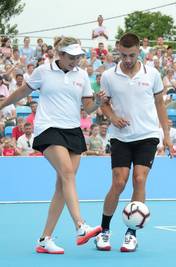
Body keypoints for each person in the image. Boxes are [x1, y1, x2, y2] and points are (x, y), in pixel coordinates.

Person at [0, 36, 104, 254]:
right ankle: (81, 226)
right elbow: (22, 92)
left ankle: (44, 239)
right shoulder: (43, 71)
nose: (75, 61)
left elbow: (89, 108)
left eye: (78, 57)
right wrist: (2, 104)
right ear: (60, 54)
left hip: (73, 130)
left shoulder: (82, 75)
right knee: (67, 173)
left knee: (62, 184)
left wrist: (98, 102)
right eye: (71, 57)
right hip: (48, 128)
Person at [95, 33, 173, 252]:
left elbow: (160, 104)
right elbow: (104, 105)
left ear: (139, 50)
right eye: (123, 54)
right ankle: (104, 231)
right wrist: (112, 117)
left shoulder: (153, 74)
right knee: (119, 182)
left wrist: (166, 135)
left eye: (131, 55)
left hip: (147, 135)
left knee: (139, 179)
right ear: (117, 49)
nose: (127, 59)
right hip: (120, 136)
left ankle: (131, 233)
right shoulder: (108, 76)